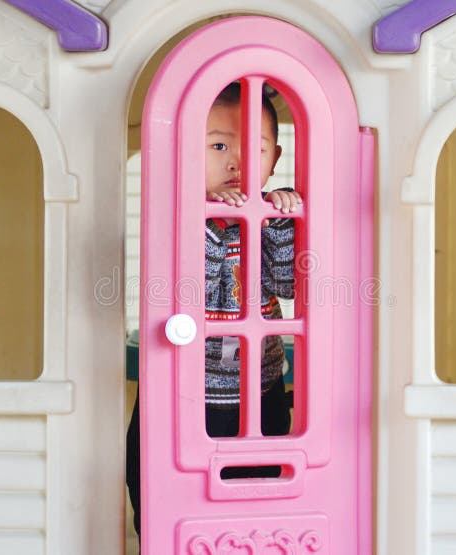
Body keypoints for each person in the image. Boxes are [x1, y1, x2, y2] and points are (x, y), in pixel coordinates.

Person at [126, 82, 301, 541]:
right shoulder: (177, 214)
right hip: (184, 391)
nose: (237, 162)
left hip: (259, 391)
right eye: (219, 145)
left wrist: (281, 221)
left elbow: (289, 286)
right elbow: (191, 295)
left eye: (254, 148)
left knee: (256, 493)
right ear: (188, 151)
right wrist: (206, 220)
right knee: (160, 486)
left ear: (274, 159)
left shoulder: (272, 218)